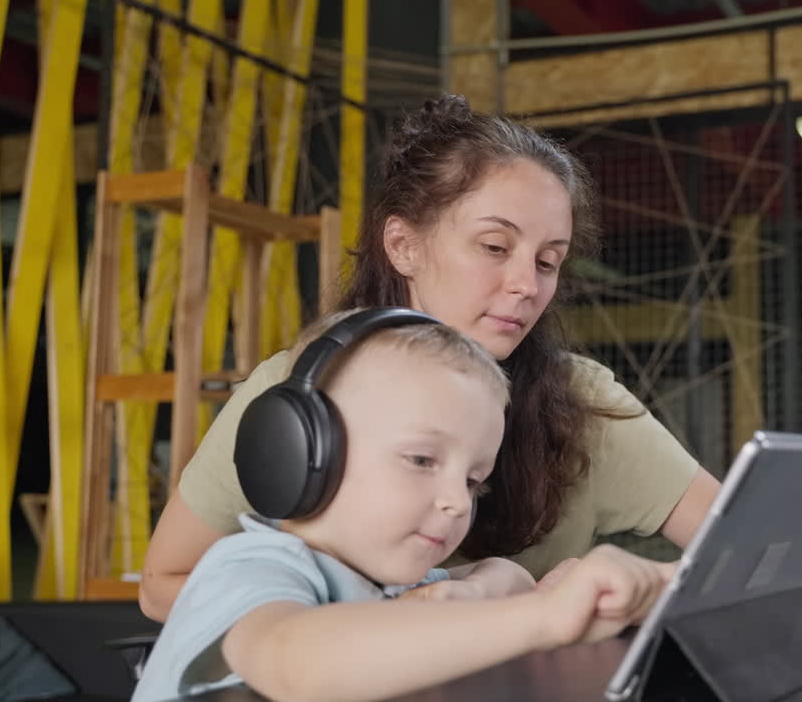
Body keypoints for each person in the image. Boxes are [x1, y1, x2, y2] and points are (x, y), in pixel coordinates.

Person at [139, 94, 720, 622]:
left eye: (548, 261)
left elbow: (744, 551)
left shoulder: (581, 402)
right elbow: (163, 583)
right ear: (403, 245)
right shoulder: (298, 388)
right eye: (495, 247)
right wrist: (364, 630)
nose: (527, 284)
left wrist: (627, 587)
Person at [132, 311, 675, 702]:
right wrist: (541, 618)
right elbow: (294, 664)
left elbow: (505, 575)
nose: (456, 503)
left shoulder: (391, 586)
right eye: (420, 460)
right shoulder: (252, 569)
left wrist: (476, 591)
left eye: (473, 481)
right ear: (302, 452)